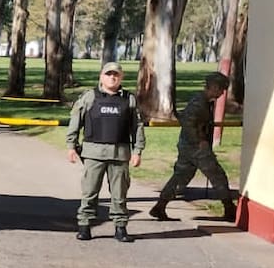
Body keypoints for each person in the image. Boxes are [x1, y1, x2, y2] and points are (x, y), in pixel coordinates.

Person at [66, 61, 146, 243]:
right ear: (101, 77)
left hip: (120, 154)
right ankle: (84, 226)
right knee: (89, 192)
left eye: (116, 74)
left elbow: (137, 126)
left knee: (119, 194)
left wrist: (138, 150)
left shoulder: (129, 99)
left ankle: (120, 228)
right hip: (93, 153)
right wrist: (71, 145)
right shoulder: (89, 97)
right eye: (108, 74)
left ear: (121, 78)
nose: (112, 77)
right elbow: (75, 121)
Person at [149, 71, 237, 223]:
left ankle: (160, 206)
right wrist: (201, 140)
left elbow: (186, 118)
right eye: (221, 89)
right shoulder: (199, 102)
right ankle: (229, 209)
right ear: (214, 87)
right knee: (218, 175)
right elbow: (189, 122)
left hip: (187, 146)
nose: (222, 93)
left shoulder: (203, 101)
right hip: (196, 147)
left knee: (180, 177)